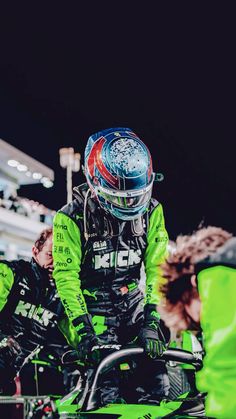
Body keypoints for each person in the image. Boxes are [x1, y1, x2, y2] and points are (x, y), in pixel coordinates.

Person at [53, 127, 170, 405]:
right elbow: (66, 278)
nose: (129, 203)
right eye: (121, 195)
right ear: (95, 183)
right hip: (93, 309)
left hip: (133, 303)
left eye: (135, 194)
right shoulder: (69, 219)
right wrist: (83, 332)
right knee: (104, 391)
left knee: (157, 383)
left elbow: (159, 268)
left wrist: (152, 321)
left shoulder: (153, 211)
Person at [158, 226, 236, 419]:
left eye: (195, 320)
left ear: (193, 283)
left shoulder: (217, 276)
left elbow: (227, 373)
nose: (202, 326)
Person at [0, 227, 73, 395]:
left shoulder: (63, 296)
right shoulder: (9, 274)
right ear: (35, 251)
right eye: (50, 254)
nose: (55, 263)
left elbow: (77, 337)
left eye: (61, 257)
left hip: (7, 379)